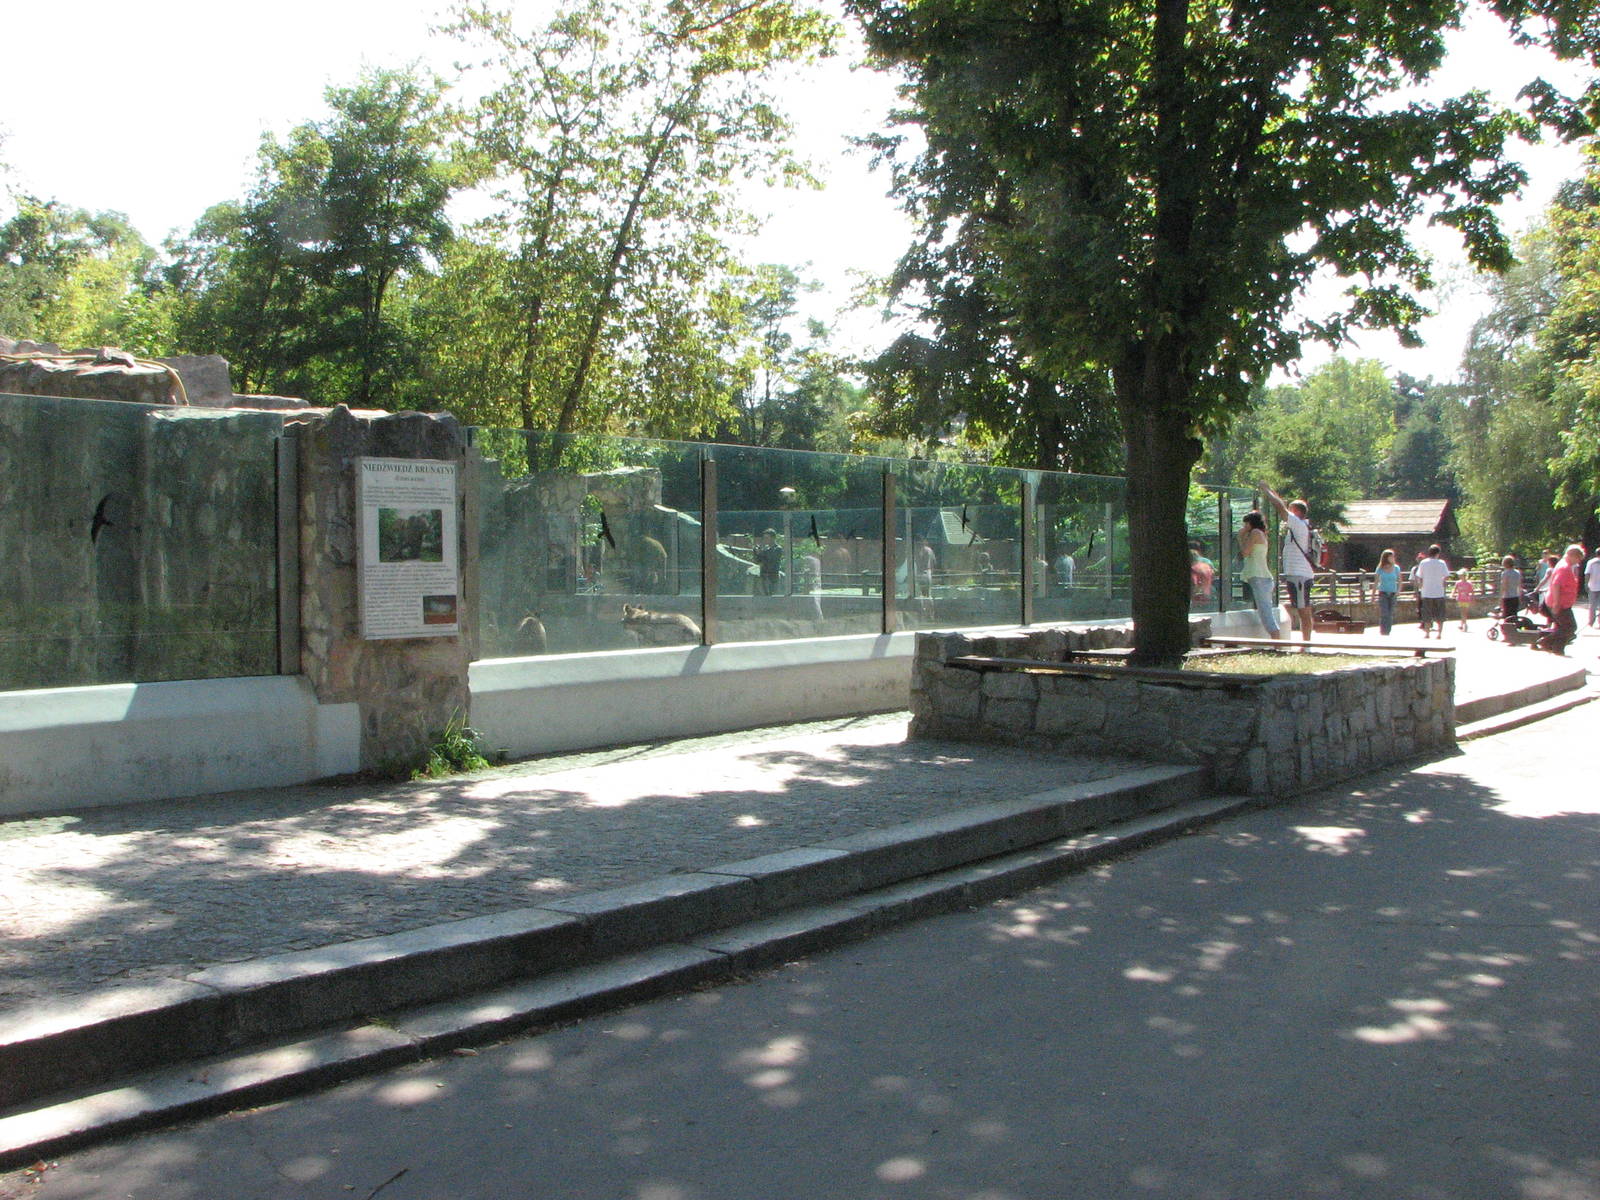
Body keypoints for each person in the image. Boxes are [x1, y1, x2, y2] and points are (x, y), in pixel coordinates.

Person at [1259, 483, 1315, 642]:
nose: (1288, 512)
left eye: (1291, 509)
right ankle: (1307, 641)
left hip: (1300, 574)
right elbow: (1282, 504)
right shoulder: (1298, 526)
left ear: (1297, 512)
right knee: (1301, 607)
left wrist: (1266, 492)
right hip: (1295, 574)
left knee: (1304, 610)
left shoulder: (1298, 524)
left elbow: (1280, 507)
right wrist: (1271, 490)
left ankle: (1307, 644)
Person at [1238, 509, 1280, 638]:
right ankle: (1277, 641)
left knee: (1266, 613)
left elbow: (1245, 552)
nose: (1245, 527)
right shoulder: (1260, 534)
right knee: (1266, 611)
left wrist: (1240, 537)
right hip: (1259, 577)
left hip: (1259, 577)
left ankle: (1278, 642)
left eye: (1246, 524)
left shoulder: (1255, 533)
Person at [1537, 544, 1584, 654]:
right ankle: (1546, 642)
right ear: (1572, 555)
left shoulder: (1563, 565)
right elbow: (1556, 585)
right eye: (1578, 559)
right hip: (1560, 604)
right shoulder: (1564, 567)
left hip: (1562, 603)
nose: (1578, 562)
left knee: (1562, 627)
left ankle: (1557, 648)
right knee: (1570, 627)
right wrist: (1557, 603)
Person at [1411, 544, 1451, 638]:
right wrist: (1443, 583)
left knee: (1427, 613)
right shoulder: (1442, 563)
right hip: (1439, 592)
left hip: (1426, 591)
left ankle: (1427, 633)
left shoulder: (1423, 563)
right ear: (1438, 553)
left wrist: (1421, 587)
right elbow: (1446, 576)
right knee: (1440, 613)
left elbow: (1419, 576)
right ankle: (1439, 634)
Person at [1374, 548, 1401, 636]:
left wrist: (1398, 590)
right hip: (1383, 593)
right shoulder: (1380, 568)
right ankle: (1383, 631)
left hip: (1393, 593)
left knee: (1390, 613)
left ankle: (1388, 631)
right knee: (1384, 613)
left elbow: (1399, 580)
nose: (1393, 558)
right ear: (1386, 558)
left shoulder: (1396, 568)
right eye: (1391, 557)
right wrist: (1373, 595)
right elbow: (1376, 582)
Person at [752, 529, 783, 596]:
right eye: (764, 538)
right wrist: (756, 552)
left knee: (772, 596)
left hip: (772, 577)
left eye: (767, 538)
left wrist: (761, 552)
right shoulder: (765, 549)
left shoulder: (778, 549)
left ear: (773, 538)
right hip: (764, 576)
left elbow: (771, 559)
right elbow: (758, 561)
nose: (765, 540)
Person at [1497, 555, 1523, 622]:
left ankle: (1507, 629)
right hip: (1515, 596)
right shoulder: (1517, 573)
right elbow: (1519, 585)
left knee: (1507, 616)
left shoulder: (1505, 573)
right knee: (1514, 615)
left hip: (1507, 597)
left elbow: (1504, 587)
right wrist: (1520, 596)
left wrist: (1500, 599)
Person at [1586, 546, 1600, 627]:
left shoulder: (1591, 562)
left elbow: (1587, 574)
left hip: (1592, 586)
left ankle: (1591, 622)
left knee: (1592, 605)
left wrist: (1586, 584)